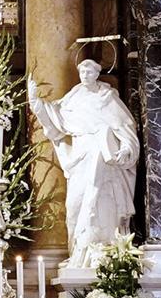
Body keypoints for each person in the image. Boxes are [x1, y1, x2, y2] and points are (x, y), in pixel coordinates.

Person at [27, 59, 140, 268]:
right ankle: (79, 253)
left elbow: (126, 127)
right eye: (82, 72)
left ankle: (104, 253)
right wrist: (35, 101)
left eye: (89, 72)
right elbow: (54, 119)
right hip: (80, 155)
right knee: (75, 205)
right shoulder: (73, 99)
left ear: (97, 74)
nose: (85, 76)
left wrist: (126, 148)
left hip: (104, 156)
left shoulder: (108, 99)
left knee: (100, 201)